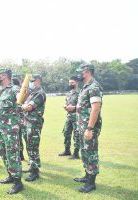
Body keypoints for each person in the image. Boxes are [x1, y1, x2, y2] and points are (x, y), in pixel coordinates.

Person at [0, 68, 24, 195]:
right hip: (0, 128)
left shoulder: (14, 89)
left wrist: (22, 95)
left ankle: (18, 182)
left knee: (12, 153)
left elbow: (20, 98)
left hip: (11, 129)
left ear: (5, 76)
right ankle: (11, 175)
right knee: (3, 153)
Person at [74, 64, 103, 193]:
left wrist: (90, 128)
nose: (78, 74)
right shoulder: (85, 87)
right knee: (85, 152)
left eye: (80, 72)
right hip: (82, 126)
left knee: (91, 153)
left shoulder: (94, 87)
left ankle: (91, 183)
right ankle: (87, 175)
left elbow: (96, 108)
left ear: (87, 72)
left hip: (89, 127)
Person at [21, 74, 46, 182]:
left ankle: (35, 172)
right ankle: (32, 166)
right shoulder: (32, 93)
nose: (31, 83)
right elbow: (24, 103)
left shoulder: (40, 94)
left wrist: (20, 106)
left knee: (33, 147)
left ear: (38, 80)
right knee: (29, 146)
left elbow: (28, 107)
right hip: (28, 123)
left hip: (34, 124)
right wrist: (25, 96)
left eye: (33, 81)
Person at [59, 76, 80, 159]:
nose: (70, 84)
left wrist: (74, 108)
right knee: (66, 133)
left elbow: (84, 105)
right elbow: (66, 102)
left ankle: (76, 153)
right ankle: (67, 150)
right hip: (69, 117)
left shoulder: (80, 93)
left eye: (72, 83)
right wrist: (65, 106)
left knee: (76, 135)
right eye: (69, 83)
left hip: (77, 118)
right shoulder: (69, 93)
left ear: (76, 83)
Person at [12, 74, 26, 161]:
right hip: (21, 116)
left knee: (19, 136)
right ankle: (21, 155)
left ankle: (20, 155)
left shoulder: (15, 88)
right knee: (21, 136)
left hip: (17, 117)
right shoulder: (19, 88)